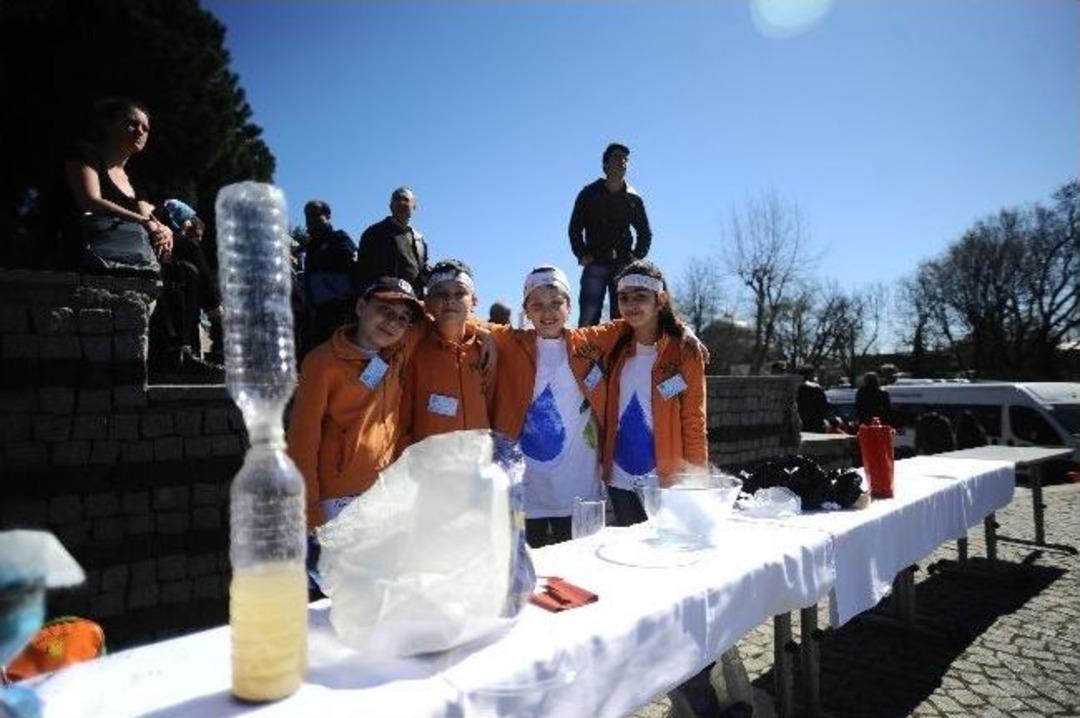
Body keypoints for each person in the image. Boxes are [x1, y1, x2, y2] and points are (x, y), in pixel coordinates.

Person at [64, 98, 218, 380]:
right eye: (132, 123)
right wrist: (146, 222)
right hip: (96, 245)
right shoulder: (86, 154)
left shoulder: (134, 179)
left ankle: (179, 354)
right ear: (110, 125)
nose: (140, 131)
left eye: (145, 127)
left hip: (131, 248)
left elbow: (151, 216)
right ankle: (218, 315)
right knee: (183, 255)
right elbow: (88, 199)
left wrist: (164, 230)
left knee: (187, 267)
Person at [487, 265, 633, 548]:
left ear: (569, 306)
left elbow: (639, 320)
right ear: (526, 310)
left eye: (556, 303)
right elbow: (458, 318)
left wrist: (679, 333)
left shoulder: (589, 341)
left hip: (580, 490)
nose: (548, 312)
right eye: (537, 305)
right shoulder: (511, 342)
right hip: (526, 492)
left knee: (584, 573)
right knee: (529, 575)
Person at [287, 276, 426, 531]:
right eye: (384, 309)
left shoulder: (396, 352)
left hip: (382, 493)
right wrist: (309, 511)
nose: (392, 322)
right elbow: (302, 442)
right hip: (338, 501)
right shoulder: (322, 362)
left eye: (402, 318)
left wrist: (484, 336)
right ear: (361, 307)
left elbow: (446, 315)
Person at [601, 259, 707, 527]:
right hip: (619, 479)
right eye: (624, 298)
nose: (631, 305)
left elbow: (694, 420)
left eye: (640, 297)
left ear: (660, 300)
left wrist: (697, 478)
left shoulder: (685, 353)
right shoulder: (614, 347)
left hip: (666, 482)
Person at [398, 259, 494, 447]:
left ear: (474, 301)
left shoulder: (485, 350)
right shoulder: (413, 350)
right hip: (430, 470)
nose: (450, 300)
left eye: (460, 293)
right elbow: (401, 421)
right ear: (427, 303)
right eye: (441, 294)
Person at [568, 142, 652, 326]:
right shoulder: (588, 194)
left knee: (622, 319)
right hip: (595, 261)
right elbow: (574, 228)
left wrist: (636, 258)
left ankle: (621, 355)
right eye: (616, 157)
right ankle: (584, 353)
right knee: (589, 316)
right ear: (605, 165)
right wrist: (581, 254)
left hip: (623, 265)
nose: (622, 162)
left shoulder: (633, 198)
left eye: (625, 159)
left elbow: (645, 233)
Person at [162, 199, 224, 359]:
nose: (198, 240)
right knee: (193, 256)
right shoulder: (183, 217)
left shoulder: (181, 215)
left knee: (192, 273)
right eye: (197, 236)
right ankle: (215, 308)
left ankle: (213, 311)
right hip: (164, 239)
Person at [299, 199, 359, 358]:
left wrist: (349, 302)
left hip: (340, 309)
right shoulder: (310, 246)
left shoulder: (338, 238)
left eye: (315, 214)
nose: (310, 218)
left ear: (327, 215)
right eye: (307, 215)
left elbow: (355, 269)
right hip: (317, 311)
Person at [355, 187, 430, 298]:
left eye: (405, 199)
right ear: (391, 206)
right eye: (396, 199)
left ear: (414, 206)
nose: (401, 202)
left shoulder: (420, 239)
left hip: (411, 300)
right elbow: (362, 270)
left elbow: (422, 271)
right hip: (382, 298)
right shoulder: (374, 233)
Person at [797, 366, 832, 433]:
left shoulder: (794, 389)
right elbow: (824, 407)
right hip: (816, 423)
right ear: (810, 375)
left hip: (800, 423)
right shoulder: (816, 388)